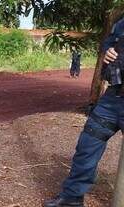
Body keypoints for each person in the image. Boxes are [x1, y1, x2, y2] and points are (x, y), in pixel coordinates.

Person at [44, 17, 124, 207]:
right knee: (87, 146)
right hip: (113, 98)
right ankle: (72, 198)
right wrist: (108, 52)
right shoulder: (121, 23)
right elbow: (109, 43)